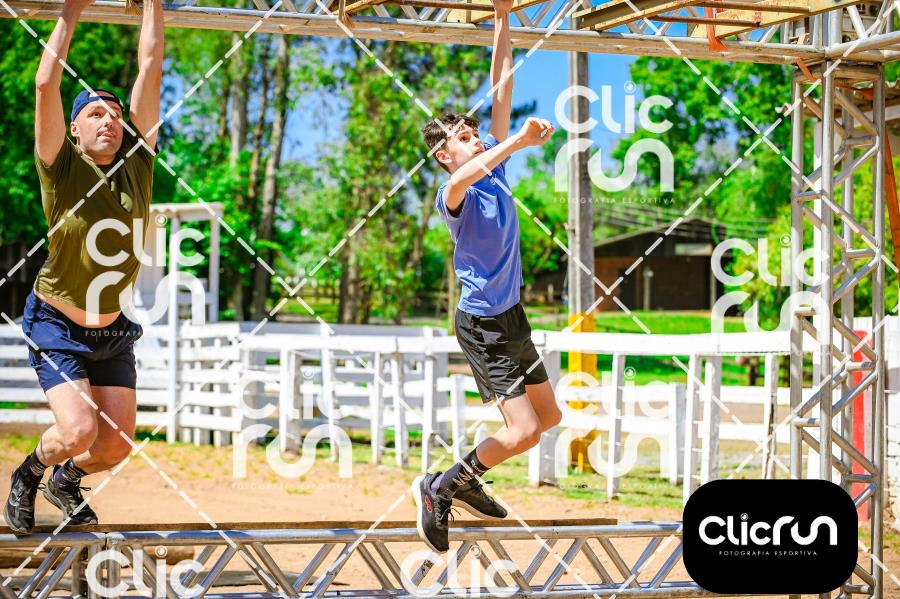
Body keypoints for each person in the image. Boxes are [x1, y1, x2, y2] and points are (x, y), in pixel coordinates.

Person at [4, 0, 164, 533]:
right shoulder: (61, 167)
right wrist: (73, 6)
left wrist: (153, 3)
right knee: (77, 432)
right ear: (73, 129)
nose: (109, 120)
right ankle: (29, 473)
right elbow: (45, 83)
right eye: (95, 113)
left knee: (114, 447)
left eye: (115, 114)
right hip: (57, 323)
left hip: (111, 330)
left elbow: (150, 65)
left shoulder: (139, 164)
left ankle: (65, 481)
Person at [412, 0, 559, 553]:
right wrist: (517, 142)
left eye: (478, 135)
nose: (477, 140)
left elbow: (502, 87)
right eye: (464, 138)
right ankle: (441, 488)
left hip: (512, 316)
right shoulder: (453, 192)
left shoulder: (493, 169)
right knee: (523, 431)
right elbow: (467, 175)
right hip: (482, 324)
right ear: (443, 155)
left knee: (547, 417)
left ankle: (465, 479)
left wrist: (501, 17)